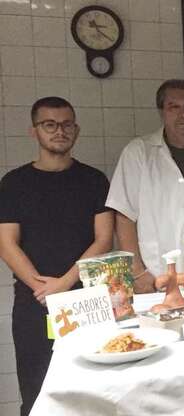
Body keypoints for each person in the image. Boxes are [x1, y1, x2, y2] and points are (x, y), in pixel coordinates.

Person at [0, 97, 113, 416]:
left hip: (86, 301)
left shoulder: (94, 180)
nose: (59, 130)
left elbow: (104, 238)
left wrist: (63, 284)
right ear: (34, 131)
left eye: (66, 124)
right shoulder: (14, 184)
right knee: (39, 392)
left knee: (95, 391)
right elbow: (6, 244)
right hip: (34, 304)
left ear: (76, 130)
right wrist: (44, 289)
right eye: (49, 124)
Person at [106, 79, 184, 292]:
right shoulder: (139, 152)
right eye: (174, 107)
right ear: (162, 112)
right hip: (159, 276)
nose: (183, 114)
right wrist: (138, 272)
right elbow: (124, 215)